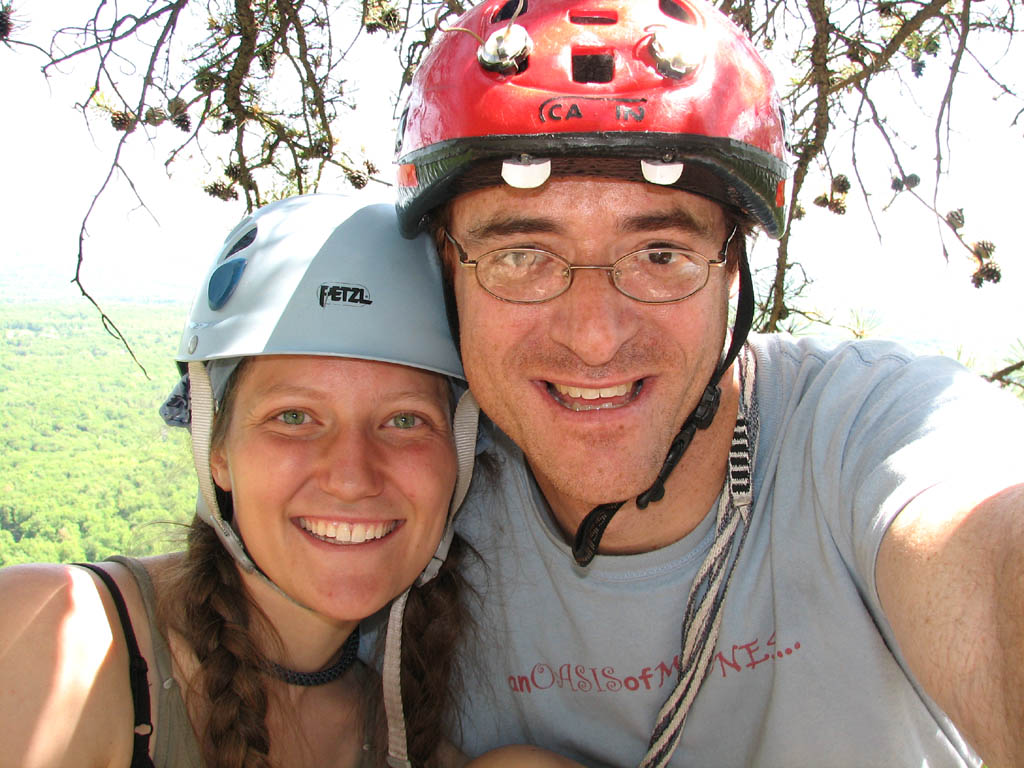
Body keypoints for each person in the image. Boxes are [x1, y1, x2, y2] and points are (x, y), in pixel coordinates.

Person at [384, 0, 1024, 766]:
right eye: (522, 255)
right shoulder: (410, 498)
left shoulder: (868, 429)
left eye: (661, 254)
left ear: (735, 269)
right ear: (450, 270)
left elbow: (986, 557)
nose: (595, 335)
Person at [0, 195, 581, 768]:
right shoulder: (54, 640)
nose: (352, 477)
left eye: (405, 420)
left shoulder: (400, 742)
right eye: (294, 418)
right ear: (217, 449)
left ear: (457, 460)